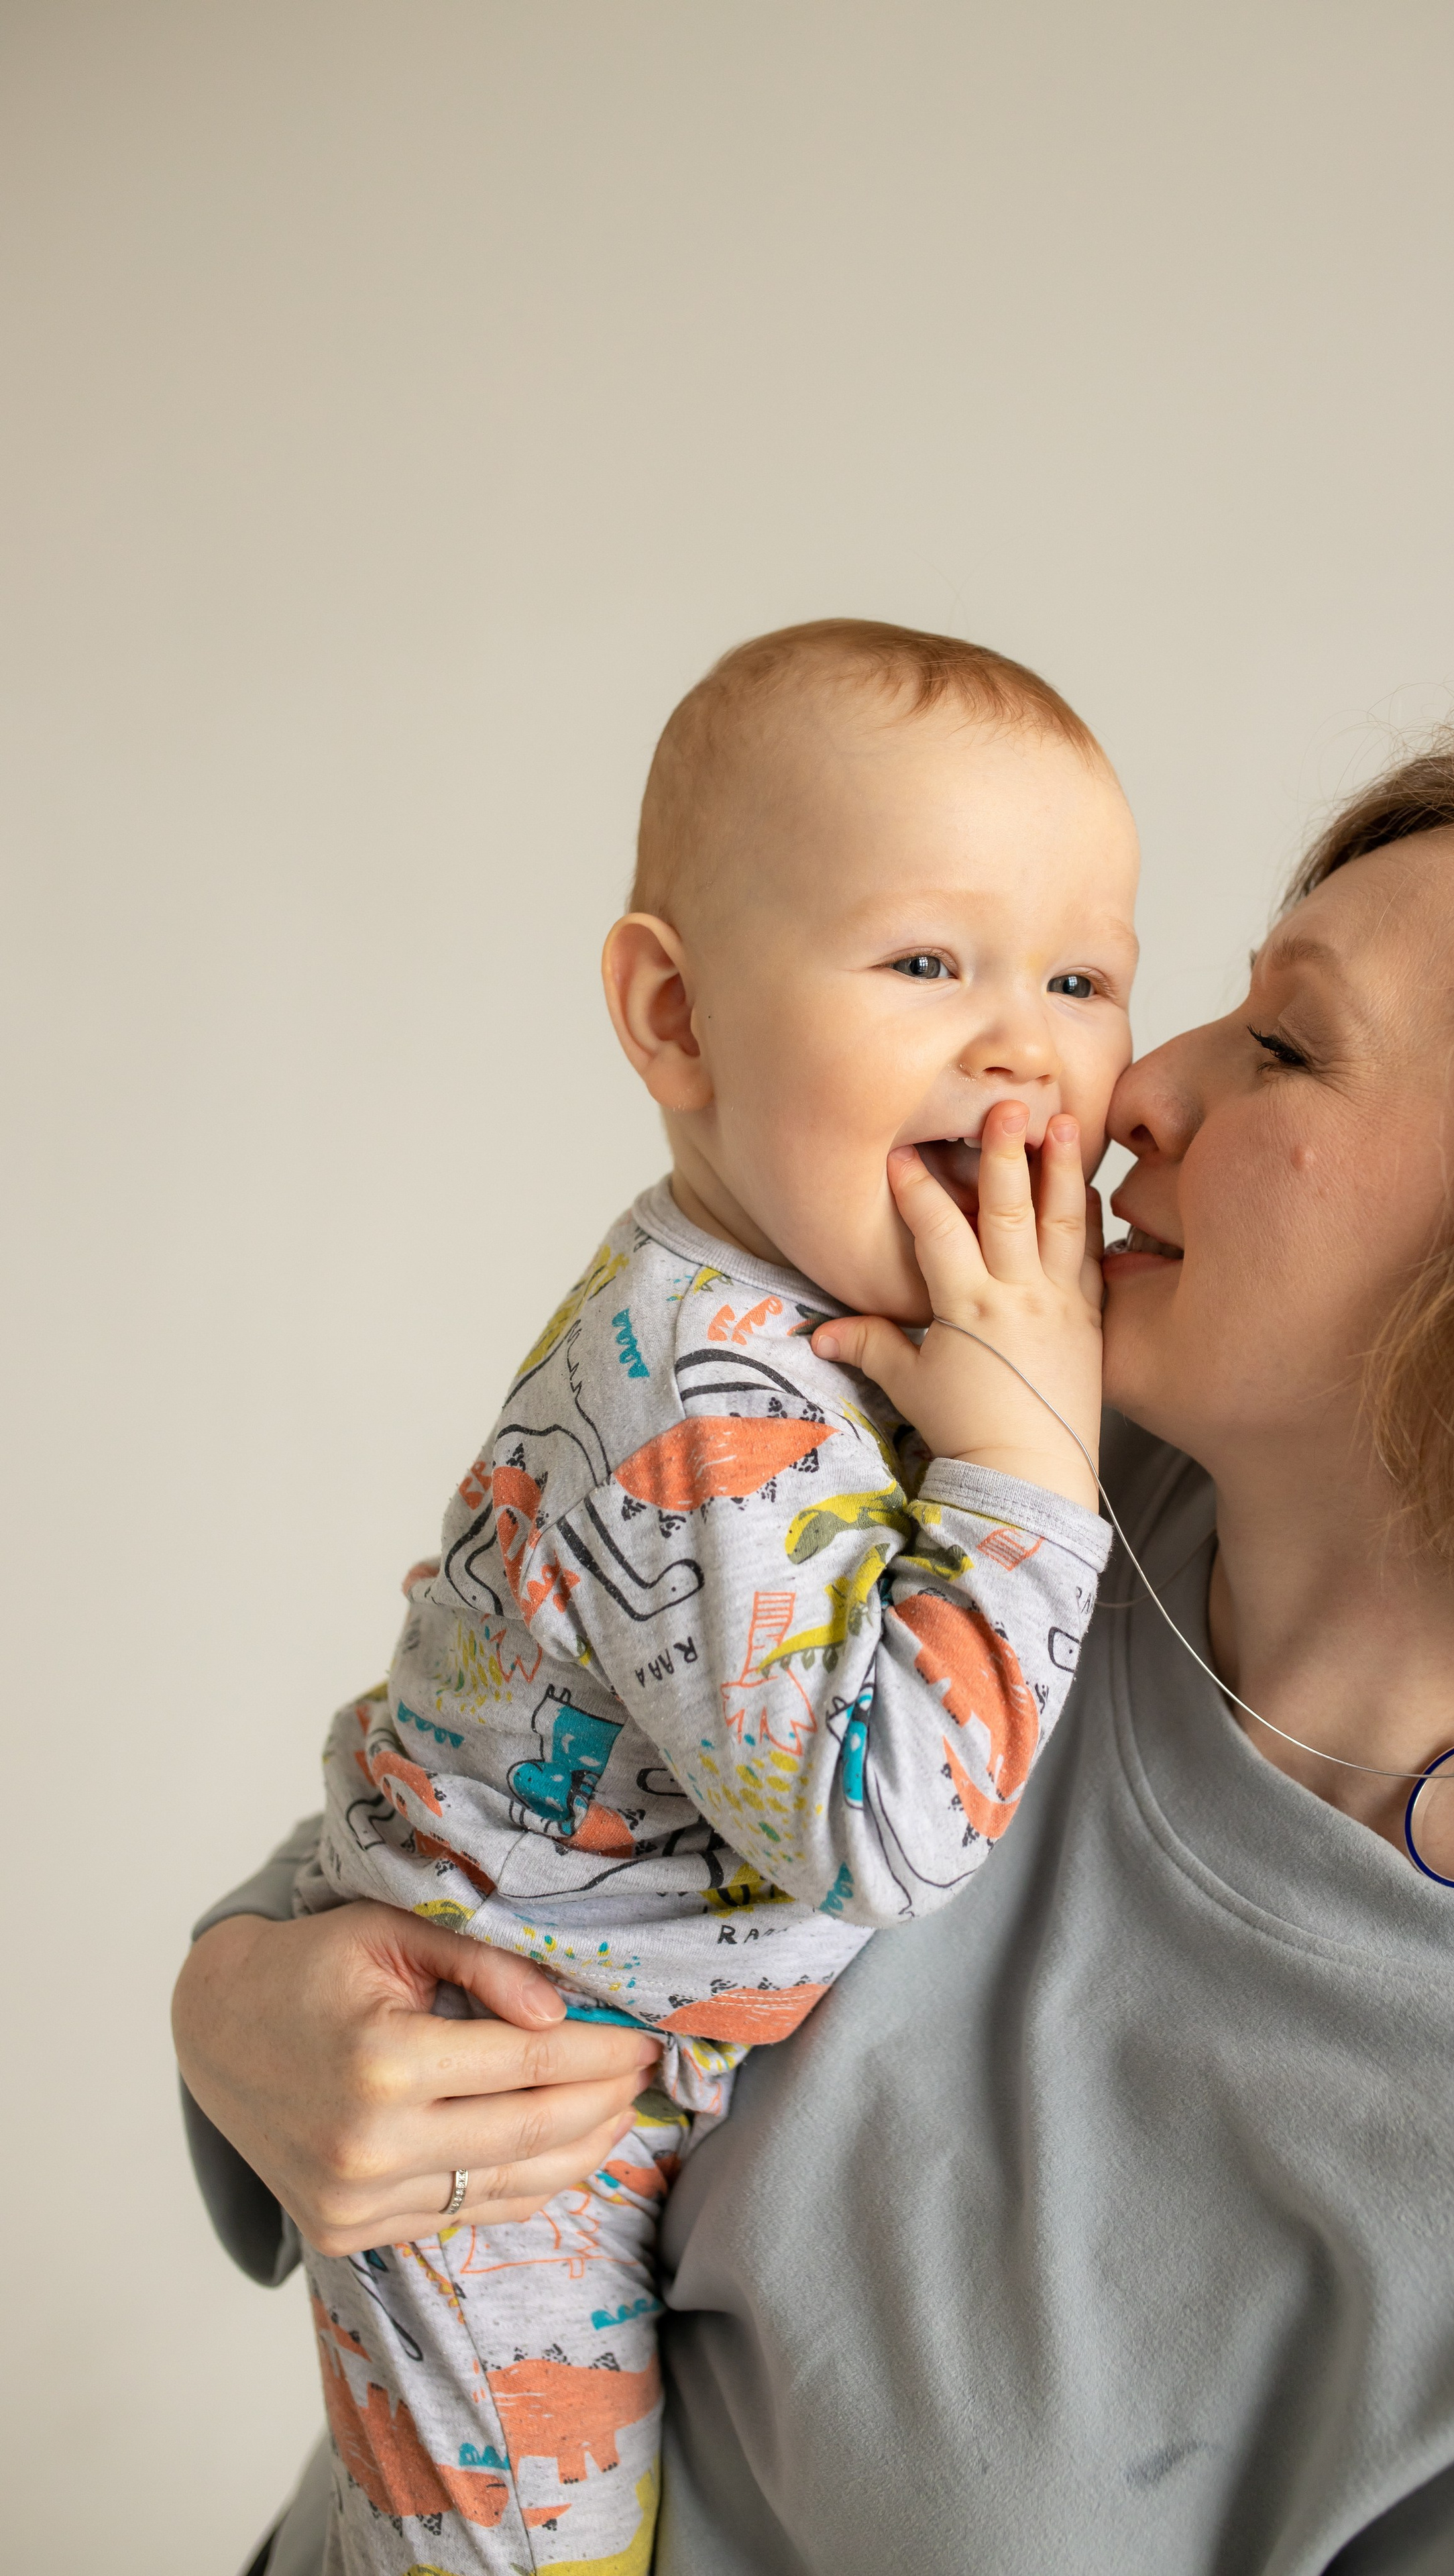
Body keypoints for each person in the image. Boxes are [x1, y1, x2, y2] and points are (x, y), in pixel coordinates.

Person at [178, 732, 1454, 2575]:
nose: (1129, 1088)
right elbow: (484, 1817)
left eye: (1288, 1045)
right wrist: (243, 2010)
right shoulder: (961, 1459)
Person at [283, 619, 1139, 2571]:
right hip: (500, 2132)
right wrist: (1024, 1467)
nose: (1023, 1042)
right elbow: (884, 1829)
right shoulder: (701, 1381)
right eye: (929, 962)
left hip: (643, 2088)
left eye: (1083, 978)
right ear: (677, 1021)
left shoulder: (848, 1325)